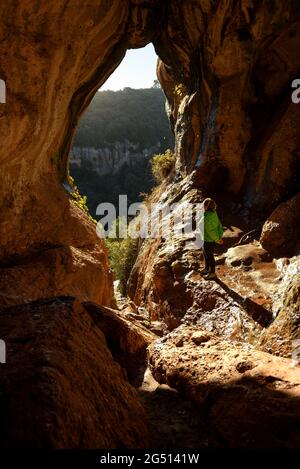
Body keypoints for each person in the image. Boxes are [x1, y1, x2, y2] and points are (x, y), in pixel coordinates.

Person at [201, 198, 223, 280]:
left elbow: (211, 231)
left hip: (209, 240)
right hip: (206, 238)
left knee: (209, 256)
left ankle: (212, 273)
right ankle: (207, 268)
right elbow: (218, 225)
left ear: (206, 207)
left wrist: (217, 239)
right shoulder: (212, 213)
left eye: (204, 205)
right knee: (205, 253)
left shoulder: (207, 217)